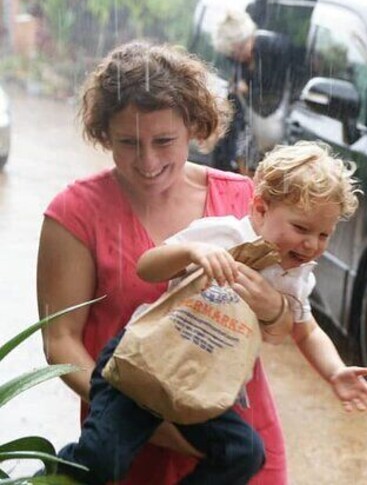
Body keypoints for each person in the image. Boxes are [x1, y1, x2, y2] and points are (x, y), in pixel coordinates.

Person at [53, 141, 367, 485]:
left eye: (324, 234)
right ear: (261, 208)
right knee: (102, 459)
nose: (312, 244)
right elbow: (146, 268)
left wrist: (335, 372)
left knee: (243, 453)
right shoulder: (223, 233)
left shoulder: (295, 277)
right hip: (143, 362)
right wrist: (191, 252)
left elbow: (307, 331)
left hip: (200, 382)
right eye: (301, 228)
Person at [37, 41, 287, 483]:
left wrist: (273, 306)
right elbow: (61, 341)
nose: (148, 161)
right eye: (128, 142)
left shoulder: (244, 201)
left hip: (238, 443)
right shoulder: (75, 213)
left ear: (194, 126)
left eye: (164, 141)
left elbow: (285, 328)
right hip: (126, 442)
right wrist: (149, 419)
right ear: (104, 134)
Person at [211, 9, 295, 173]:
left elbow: (274, 92)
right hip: (251, 124)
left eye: (238, 50)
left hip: (272, 122)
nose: (237, 56)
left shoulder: (275, 50)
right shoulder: (239, 61)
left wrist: (249, 91)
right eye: (232, 54)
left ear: (246, 39)